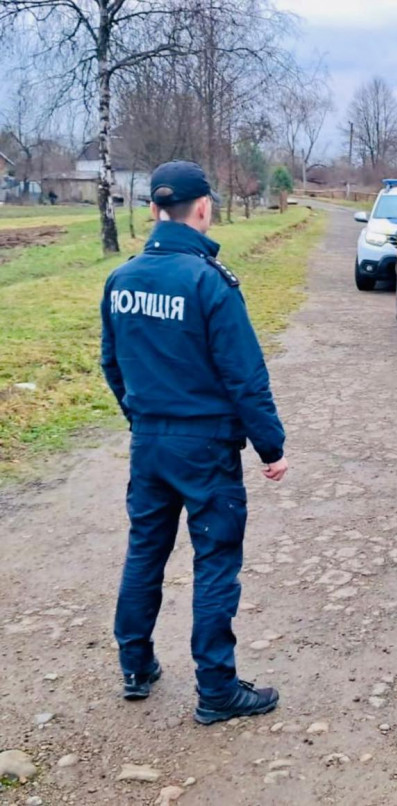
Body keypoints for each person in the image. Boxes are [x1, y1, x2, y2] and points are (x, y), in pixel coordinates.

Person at [100, 160, 288, 725]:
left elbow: (112, 365)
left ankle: (135, 666)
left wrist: (141, 418)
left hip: (150, 443)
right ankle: (217, 690)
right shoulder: (210, 282)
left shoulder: (122, 279)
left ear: (154, 211)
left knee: (145, 552)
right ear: (203, 208)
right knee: (215, 562)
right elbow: (245, 376)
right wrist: (271, 447)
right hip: (204, 447)